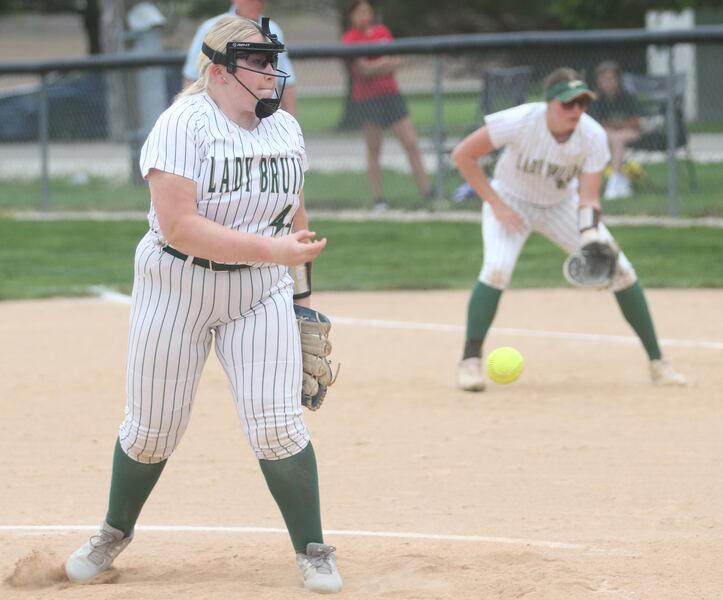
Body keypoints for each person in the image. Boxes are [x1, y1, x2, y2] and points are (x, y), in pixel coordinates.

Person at [64, 16, 342, 593]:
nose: (272, 73)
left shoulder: (285, 129)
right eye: (258, 63)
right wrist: (273, 248)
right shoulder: (182, 125)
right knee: (151, 431)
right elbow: (180, 226)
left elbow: (295, 216)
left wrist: (302, 298)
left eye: (273, 61)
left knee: (277, 427)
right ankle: (115, 531)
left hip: (258, 291)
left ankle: (313, 548)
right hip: (177, 287)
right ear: (219, 71)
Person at [453, 67, 687, 392]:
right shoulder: (521, 120)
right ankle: (470, 362)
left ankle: (659, 364)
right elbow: (464, 154)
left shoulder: (592, 136)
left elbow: (589, 197)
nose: (576, 111)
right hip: (510, 200)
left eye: (582, 103)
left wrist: (590, 236)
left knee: (622, 272)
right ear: (549, 103)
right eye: (567, 104)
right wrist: (496, 204)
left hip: (562, 206)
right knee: (496, 270)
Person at [342, 0, 432, 211]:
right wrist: (383, 63)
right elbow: (363, 69)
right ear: (352, 15)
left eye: (368, 10)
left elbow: (397, 60)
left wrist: (377, 64)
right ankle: (379, 199)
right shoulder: (350, 39)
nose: (365, 14)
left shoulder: (383, 31)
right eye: (360, 11)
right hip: (368, 100)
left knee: (411, 143)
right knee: (374, 149)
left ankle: (427, 192)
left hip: (391, 96)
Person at [183, 0, 297, 115]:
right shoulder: (212, 27)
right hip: (217, 114)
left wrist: (292, 119)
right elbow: (192, 76)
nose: (256, 3)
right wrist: (189, 112)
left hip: (264, 113)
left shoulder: (273, 29)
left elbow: (285, 80)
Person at [587, 61, 642, 200]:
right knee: (610, 137)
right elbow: (596, 124)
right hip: (608, 133)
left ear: (617, 80)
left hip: (630, 133)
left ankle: (613, 181)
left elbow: (635, 122)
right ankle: (620, 181)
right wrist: (616, 125)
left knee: (617, 138)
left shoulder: (627, 96)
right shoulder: (597, 99)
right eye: (603, 79)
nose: (607, 83)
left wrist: (616, 124)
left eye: (610, 79)